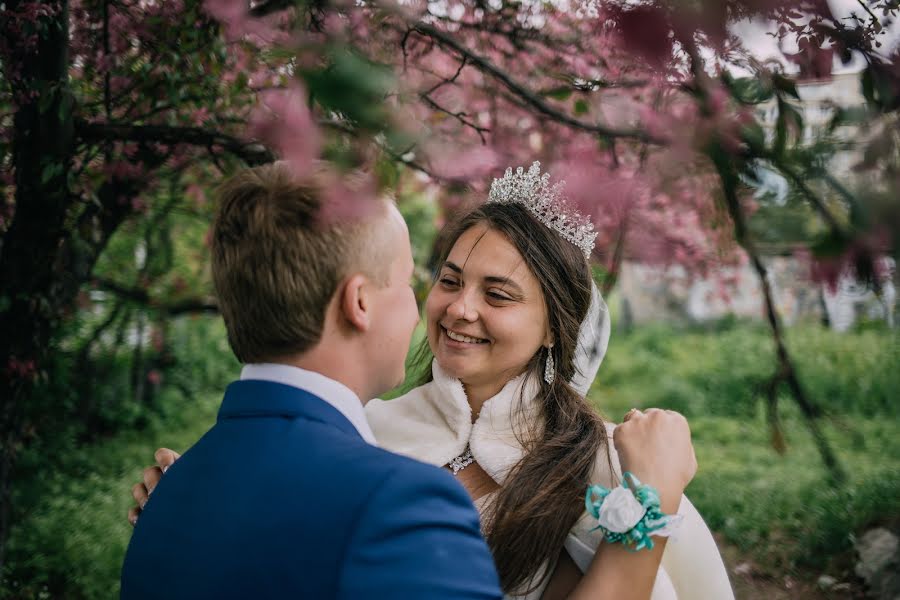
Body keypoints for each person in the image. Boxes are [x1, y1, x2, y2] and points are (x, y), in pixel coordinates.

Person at [130, 163, 734, 599]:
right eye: (446, 280)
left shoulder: (611, 467)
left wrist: (647, 503)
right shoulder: (367, 433)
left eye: (496, 294)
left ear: (555, 327)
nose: (457, 309)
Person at [120, 162, 503, 599]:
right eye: (406, 284)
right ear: (359, 302)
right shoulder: (400, 505)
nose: (419, 312)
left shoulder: (169, 493)